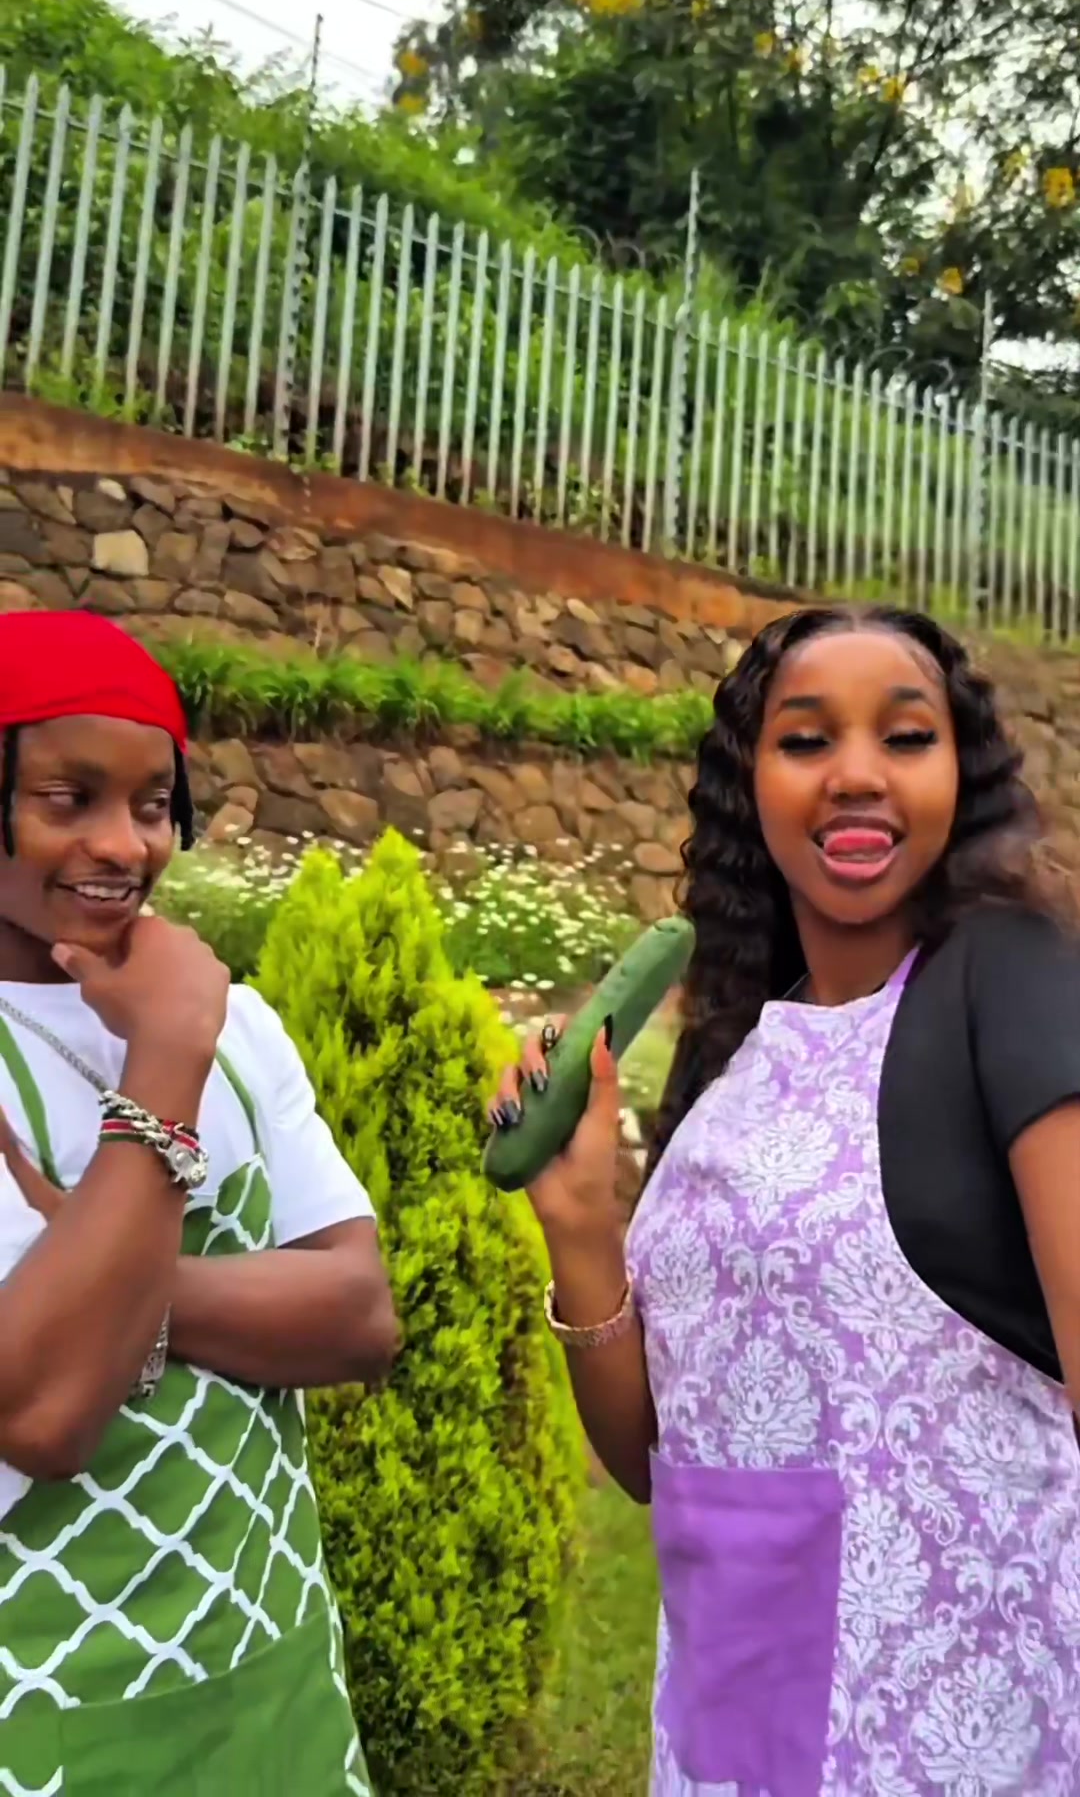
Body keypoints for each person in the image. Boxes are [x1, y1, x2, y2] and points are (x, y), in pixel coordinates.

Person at [495, 602, 1080, 1795]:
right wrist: (581, 1221)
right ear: (748, 786)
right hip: (740, 1710)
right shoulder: (733, 1051)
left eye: (906, 737)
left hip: (961, 1723)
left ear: (961, 775)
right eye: (807, 740)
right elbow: (662, 1460)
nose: (857, 773)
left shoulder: (1009, 976)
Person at [0, 609, 398, 1796]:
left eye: (153, 805)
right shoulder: (192, 1024)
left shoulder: (244, 1024)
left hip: (273, 1676)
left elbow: (359, 1315)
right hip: (58, 1707)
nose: (122, 844)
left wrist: (105, 1289)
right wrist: (166, 1052)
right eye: (68, 799)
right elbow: (44, 1412)